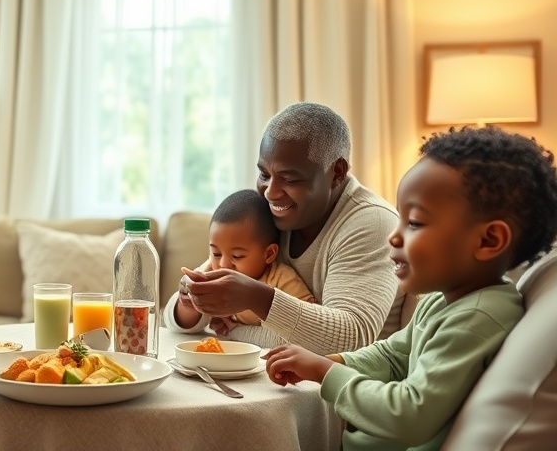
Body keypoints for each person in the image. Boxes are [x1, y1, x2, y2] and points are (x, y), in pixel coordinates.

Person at [263, 126, 557, 450]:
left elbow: (410, 414)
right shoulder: (443, 300)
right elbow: (392, 356)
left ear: (488, 240)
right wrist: (336, 362)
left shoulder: (478, 317)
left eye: (414, 222)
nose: (394, 236)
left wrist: (325, 372)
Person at [164, 102, 403, 354]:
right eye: (264, 175)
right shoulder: (272, 211)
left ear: (336, 172)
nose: (271, 192)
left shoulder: (373, 223)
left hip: (351, 378)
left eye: (289, 179)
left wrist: (251, 304)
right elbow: (178, 317)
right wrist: (190, 298)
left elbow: (348, 339)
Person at [193, 189, 317, 335]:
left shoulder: (281, 279)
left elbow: (309, 323)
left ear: (269, 254)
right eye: (216, 253)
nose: (223, 264)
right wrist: (188, 301)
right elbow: (186, 321)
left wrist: (236, 332)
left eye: (237, 256)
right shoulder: (212, 270)